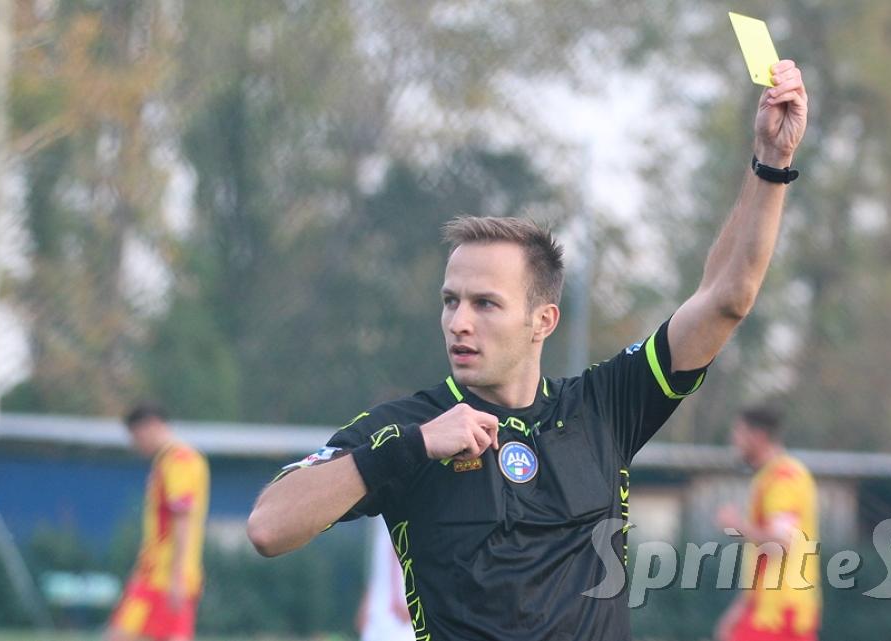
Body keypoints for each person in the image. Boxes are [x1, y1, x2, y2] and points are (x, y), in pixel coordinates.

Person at [247, 60, 808, 641]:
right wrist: (412, 447)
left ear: (543, 321)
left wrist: (772, 161)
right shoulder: (410, 429)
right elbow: (268, 527)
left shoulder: (605, 407)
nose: (459, 322)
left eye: (485, 304)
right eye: (450, 301)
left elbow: (726, 298)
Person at [713, 407, 821, 641]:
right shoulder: (770, 476)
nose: (734, 441)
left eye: (739, 433)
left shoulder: (783, 477)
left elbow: (782, 543)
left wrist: (736, 525)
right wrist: (741, 607)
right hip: (769, 605)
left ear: (758, 436)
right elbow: (765, 557)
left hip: (780, 610)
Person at [108, 404, 210, 641]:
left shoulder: (180, 459)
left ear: (150, 426)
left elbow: (182, 518)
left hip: (165, 577)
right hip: (154, 573)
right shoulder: (165, 461)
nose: (136, 445)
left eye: (136, 437)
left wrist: (177, 576)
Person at [355, 517, 416, 641]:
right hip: (383, 605)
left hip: (394, 607)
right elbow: (378, 564)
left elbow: (396, 547)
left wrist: (399, 597)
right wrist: (366, 602)